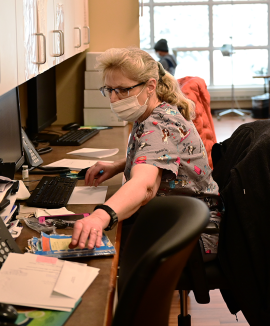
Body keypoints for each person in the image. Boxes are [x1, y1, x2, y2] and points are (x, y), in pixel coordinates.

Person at [69, 47, 220, 256]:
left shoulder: (160, 125)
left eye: (122, 90)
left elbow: (145, 186)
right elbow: (158, 154)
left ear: (150, 86)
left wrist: (99, 217)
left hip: (193, 233)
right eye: (109, 90)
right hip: (183, 219)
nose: (114, 99)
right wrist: (118, 166)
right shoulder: (158, 110)